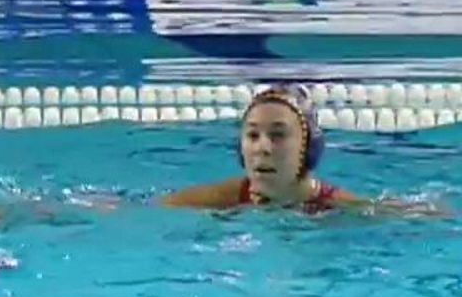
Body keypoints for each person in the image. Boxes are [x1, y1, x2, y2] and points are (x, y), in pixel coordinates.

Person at [160, 83, 446, 216]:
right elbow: (151, 208)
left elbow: (384, 212)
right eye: (253, 135)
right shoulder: (228, 196)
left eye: (278, 135)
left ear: (308, 148)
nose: (263, 148)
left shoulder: (333, 205)